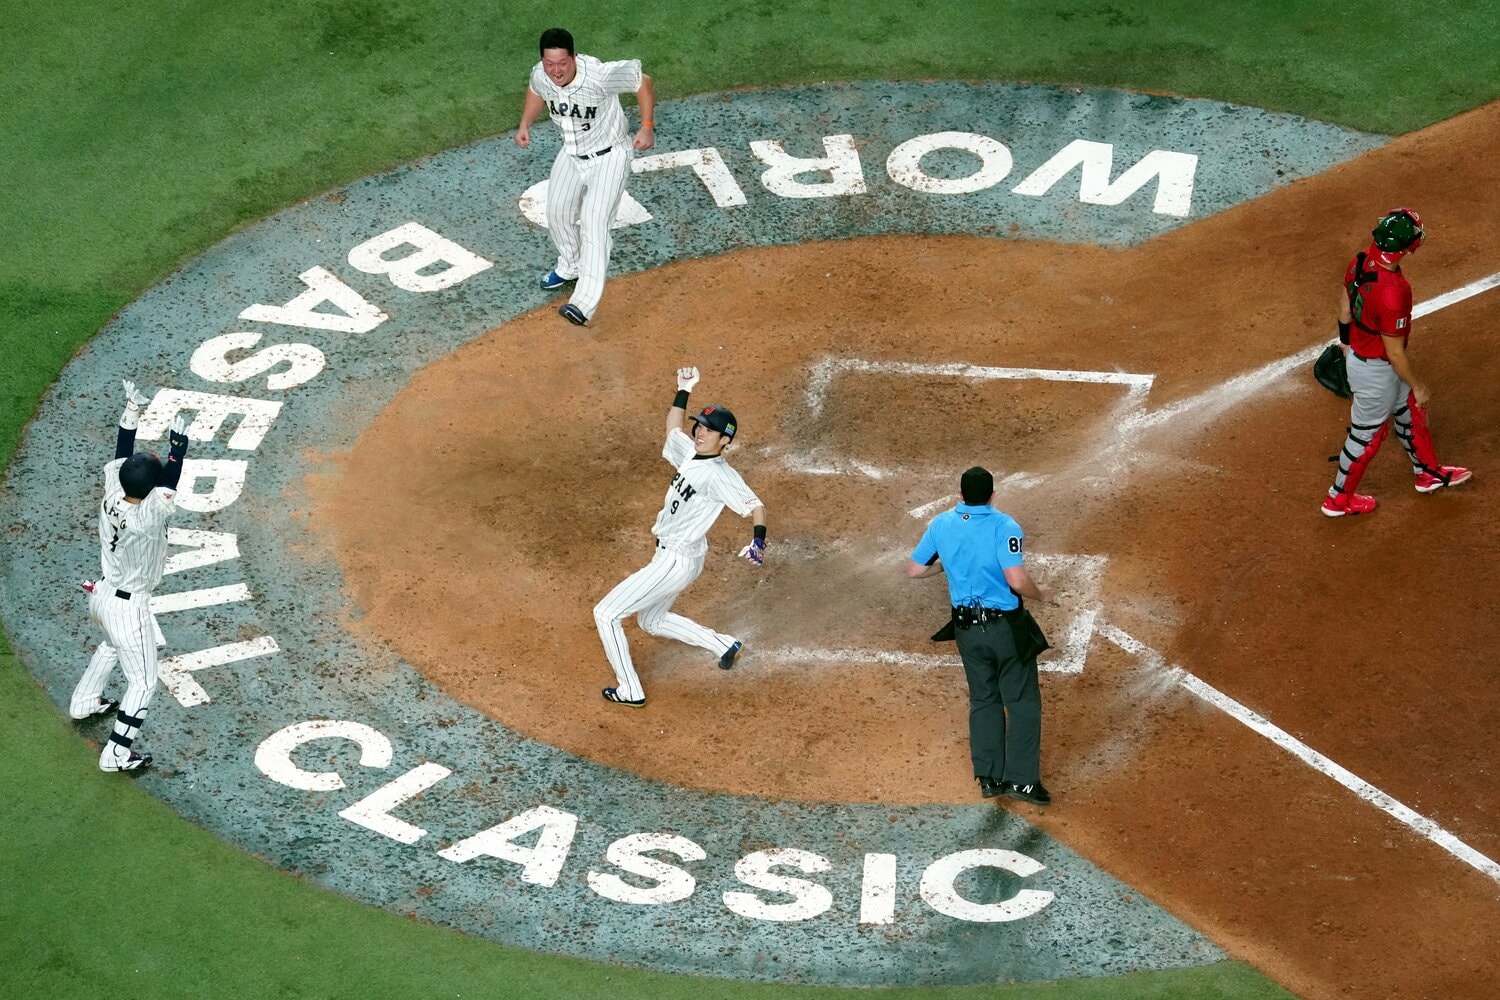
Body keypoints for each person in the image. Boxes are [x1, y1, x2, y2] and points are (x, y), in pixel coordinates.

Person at [593, 367, 766, 706]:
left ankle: (630, 689)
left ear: (725, 441)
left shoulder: (720, 475)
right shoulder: (690, 451)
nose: (701, 432)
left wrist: (758, 541)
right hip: (675, 555)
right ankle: (723, 645)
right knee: (651, 620)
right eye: (700, 426)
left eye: (711, 431)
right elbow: (673, 428)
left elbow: (755, 506)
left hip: (676, 560)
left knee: (606, 613)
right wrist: (683, 389)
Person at [906, 467, 1056, 804]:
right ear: (992, 495)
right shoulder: (1005, 526)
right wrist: (1042, 593)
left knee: (984, 699)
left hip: (966, 633)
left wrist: (945, 564)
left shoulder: (941, 524)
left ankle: (989, 778)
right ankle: (1022, 782)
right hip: (1005, 630)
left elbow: (914, 570)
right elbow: (1016, 581)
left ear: (960, 495)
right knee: (1021, 702)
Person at [69, 380, 190, 771]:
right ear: (150, 490)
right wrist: (178, 450)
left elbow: (122, 456)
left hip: (102, 596)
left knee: (109, 645)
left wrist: (131, 413)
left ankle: (85, 700)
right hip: (129, 607)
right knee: (143, 683)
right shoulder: (147, 516)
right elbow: (169, 484)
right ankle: (117, 753)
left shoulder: (112, 490)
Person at [1322, 208, 1472, 517]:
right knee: (1367, 435)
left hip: (1370, 361)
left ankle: (1428, 473)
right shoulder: (1393, 292)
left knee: (1410, 413)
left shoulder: (1360, 261)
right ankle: (1337, 500)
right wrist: (1418, 385)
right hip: (1376, 372)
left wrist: (1346, 341)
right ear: (1407, 245)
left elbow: (1345, 308)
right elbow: (1395, 354)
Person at [515, 27, 655, 328]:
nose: (556, 70)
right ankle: (571, 265)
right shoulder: (542, 74)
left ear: (574, 57)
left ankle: (583, 303)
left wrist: (646, 126)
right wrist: (525, 123)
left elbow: (642, 81)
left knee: (594, 223)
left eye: (562, 63)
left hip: (610, 157)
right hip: (571, 153)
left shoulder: (599, 75)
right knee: (558, 213)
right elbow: (536, 90)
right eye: (550, 63)